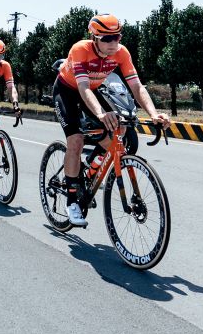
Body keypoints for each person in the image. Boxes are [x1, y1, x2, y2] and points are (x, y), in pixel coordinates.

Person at [53, 14, 170, 229]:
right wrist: (100, 114)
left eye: (117, 37)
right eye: (107, 39)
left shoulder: (122, 53)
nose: (113, 43)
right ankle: (71, 200)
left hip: (93, 90)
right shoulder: (80, 49)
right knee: (76, 141)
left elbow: (137, 86)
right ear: (94, 38)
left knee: (120, 128)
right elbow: (83, 88)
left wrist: (154, 114)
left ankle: (90, 169)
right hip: (68, 91)